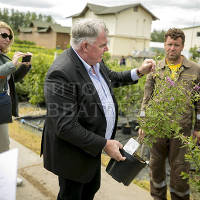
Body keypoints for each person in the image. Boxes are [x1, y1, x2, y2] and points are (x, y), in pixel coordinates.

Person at [40, 18, 155, 200]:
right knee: (72, 195)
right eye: (103, 44)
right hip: (73, 153)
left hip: (92, 147)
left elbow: (112, 77)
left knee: (90, 189)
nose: (107, 49)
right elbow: (65, 126)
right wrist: (104, 144)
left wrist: (139, 72)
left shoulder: (94, 61)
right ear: (85, 46)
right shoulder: (61, 74)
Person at [138, 28, 200, 200]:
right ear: (164, 45)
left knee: (180, 172)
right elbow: (146, 98)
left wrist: (198, 128)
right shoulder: (154, 68)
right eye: (169, 44)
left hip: (182, 131)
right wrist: (143, 123)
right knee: (155, 169)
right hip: (157, 129)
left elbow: (199, 103)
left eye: (176, 45)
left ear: (182, 46)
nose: (172, 48)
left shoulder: (195, 70)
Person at [0, 21, 32, 186]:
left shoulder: (3, 56)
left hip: (2, 104)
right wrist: (12, 64)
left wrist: (24, 67)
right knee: (3, 144)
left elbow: (11, 80)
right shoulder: (5, 59)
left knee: (3, 143)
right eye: (3, 35)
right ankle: (6, 180)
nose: (8, 39)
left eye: (10, 36)